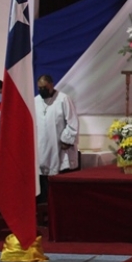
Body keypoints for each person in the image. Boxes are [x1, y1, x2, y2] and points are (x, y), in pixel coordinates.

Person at [35, 74, 79, 202]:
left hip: (59, 148)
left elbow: (72, 122)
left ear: (51, 85)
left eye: (44, 87)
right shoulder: (35, 101)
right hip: (41, 149)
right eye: (39, 88)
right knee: (43, 186)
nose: (42, 90)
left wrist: (66, 140)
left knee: (59, 187)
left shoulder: (63, 99)